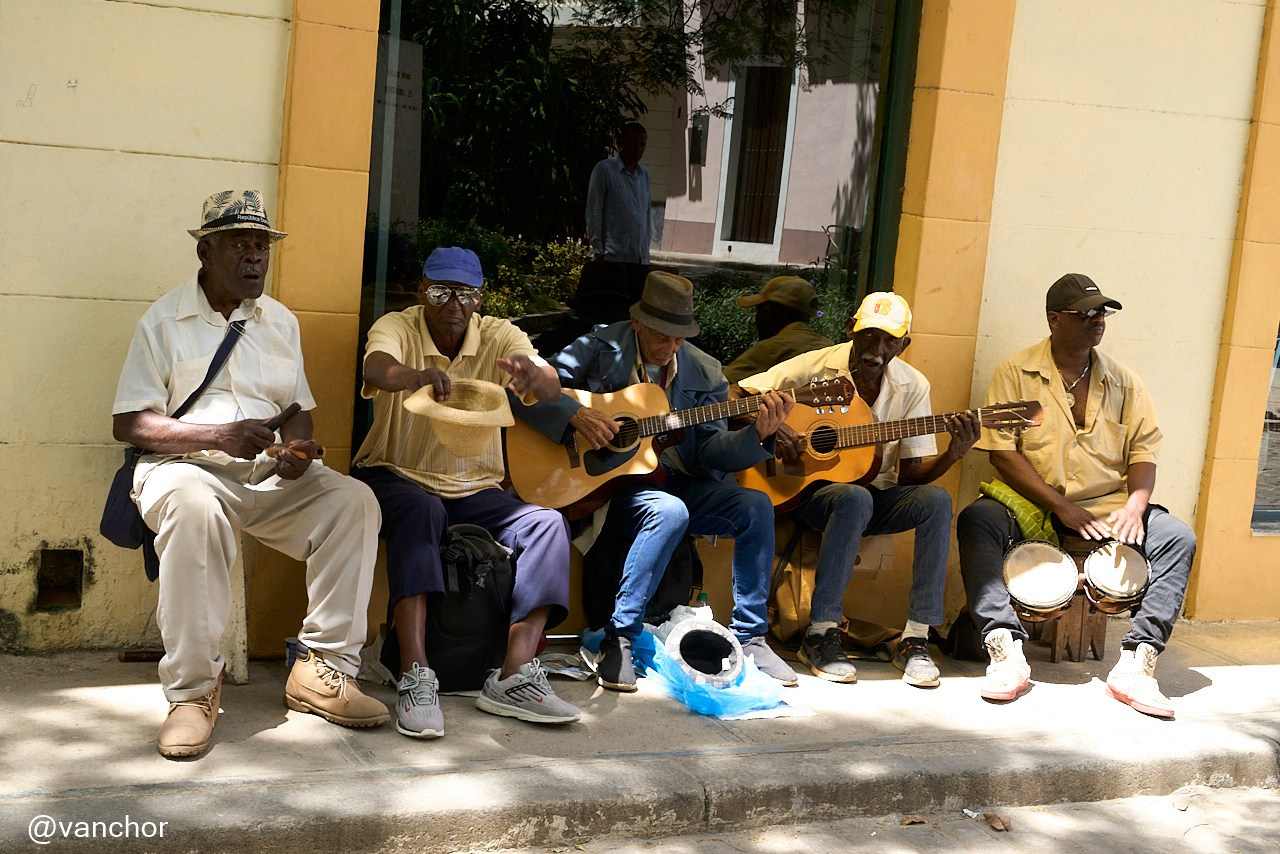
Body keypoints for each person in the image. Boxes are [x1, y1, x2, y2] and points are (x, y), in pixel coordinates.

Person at [112, 190, 389, 759]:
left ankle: (323, 670)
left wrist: (298, 451)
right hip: (184, 470)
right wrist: (218, 436)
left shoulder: (280, 321)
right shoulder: (163, 321)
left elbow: (298, 408)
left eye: (261, 245)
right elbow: (129, 423)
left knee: (354, 501)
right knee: (194, 505)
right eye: (239, 244)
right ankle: (192, 693)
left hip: (266, 475)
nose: (254, 257)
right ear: (206, 252)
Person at [518, 272, 799, 691]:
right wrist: (576, 415)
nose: (670, 347)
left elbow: (711, 451)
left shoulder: (704, 371)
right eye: (661, 336)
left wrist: (758, 435)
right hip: (611, 488)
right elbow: (526, 392)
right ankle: (620, 637)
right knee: (669, 511)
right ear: (637, 322)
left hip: (679, 482)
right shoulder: (598, 347)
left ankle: (751, 636)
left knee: (754, 505)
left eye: (679, 338)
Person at [352, 246, 580, 737]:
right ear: (422, 291)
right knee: (422, 510)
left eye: (465, 294)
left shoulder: (499, 335)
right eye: (440, 291)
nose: (453, 304)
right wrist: (415, 377)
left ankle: (514, 674)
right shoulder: (398, 326)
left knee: (546, 524)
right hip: (393, 474)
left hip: (474, 487)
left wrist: (536, 377)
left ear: (479, 298)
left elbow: (548, 383)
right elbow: (376, 367)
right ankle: (416, 673)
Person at [957, 273, 1196, 718]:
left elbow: (1144, 452)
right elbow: (1002, 453)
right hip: (1033, 501)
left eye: (1101, 312)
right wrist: (1061, 506)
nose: (1097, 320)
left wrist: (1135, 505)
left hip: (1108, 506)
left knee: (1177, 537)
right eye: (1085, 313)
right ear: (1054, 319)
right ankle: (1005, 650)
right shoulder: (1016, 372)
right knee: (978, 519)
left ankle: (1138, 661)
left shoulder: (1125, 382)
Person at [737, 292, 979, 687]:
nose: (876, 349)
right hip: (808, 494)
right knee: (853, 497)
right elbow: (739, 393)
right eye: (868, 335)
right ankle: (821, 634)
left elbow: (910, 476)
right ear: (851, 329)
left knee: (935, 500)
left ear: (904, 344)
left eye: (889, 340)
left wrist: (953, 453)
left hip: (875, 498)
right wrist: (777, 427)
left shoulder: (913, 385)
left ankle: (915, 638)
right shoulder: (816, 366)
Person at [723, 276, 835, 384]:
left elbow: (719, 384)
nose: (756, 321)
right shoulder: (829, 348)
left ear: (770, 312)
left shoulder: (769, 350)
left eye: (759, 311)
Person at [584, 121, 651, 301]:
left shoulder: (644, 175)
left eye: (642, 145)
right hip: (613, 256)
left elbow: (645, 214)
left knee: (634, 309)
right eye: (634, 143)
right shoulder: (604, 170)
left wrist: (645, 251)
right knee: (612, 307)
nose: (638, 149)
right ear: (621, 142)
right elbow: (594, 211)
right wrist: (598, 248)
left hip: (639, 259)